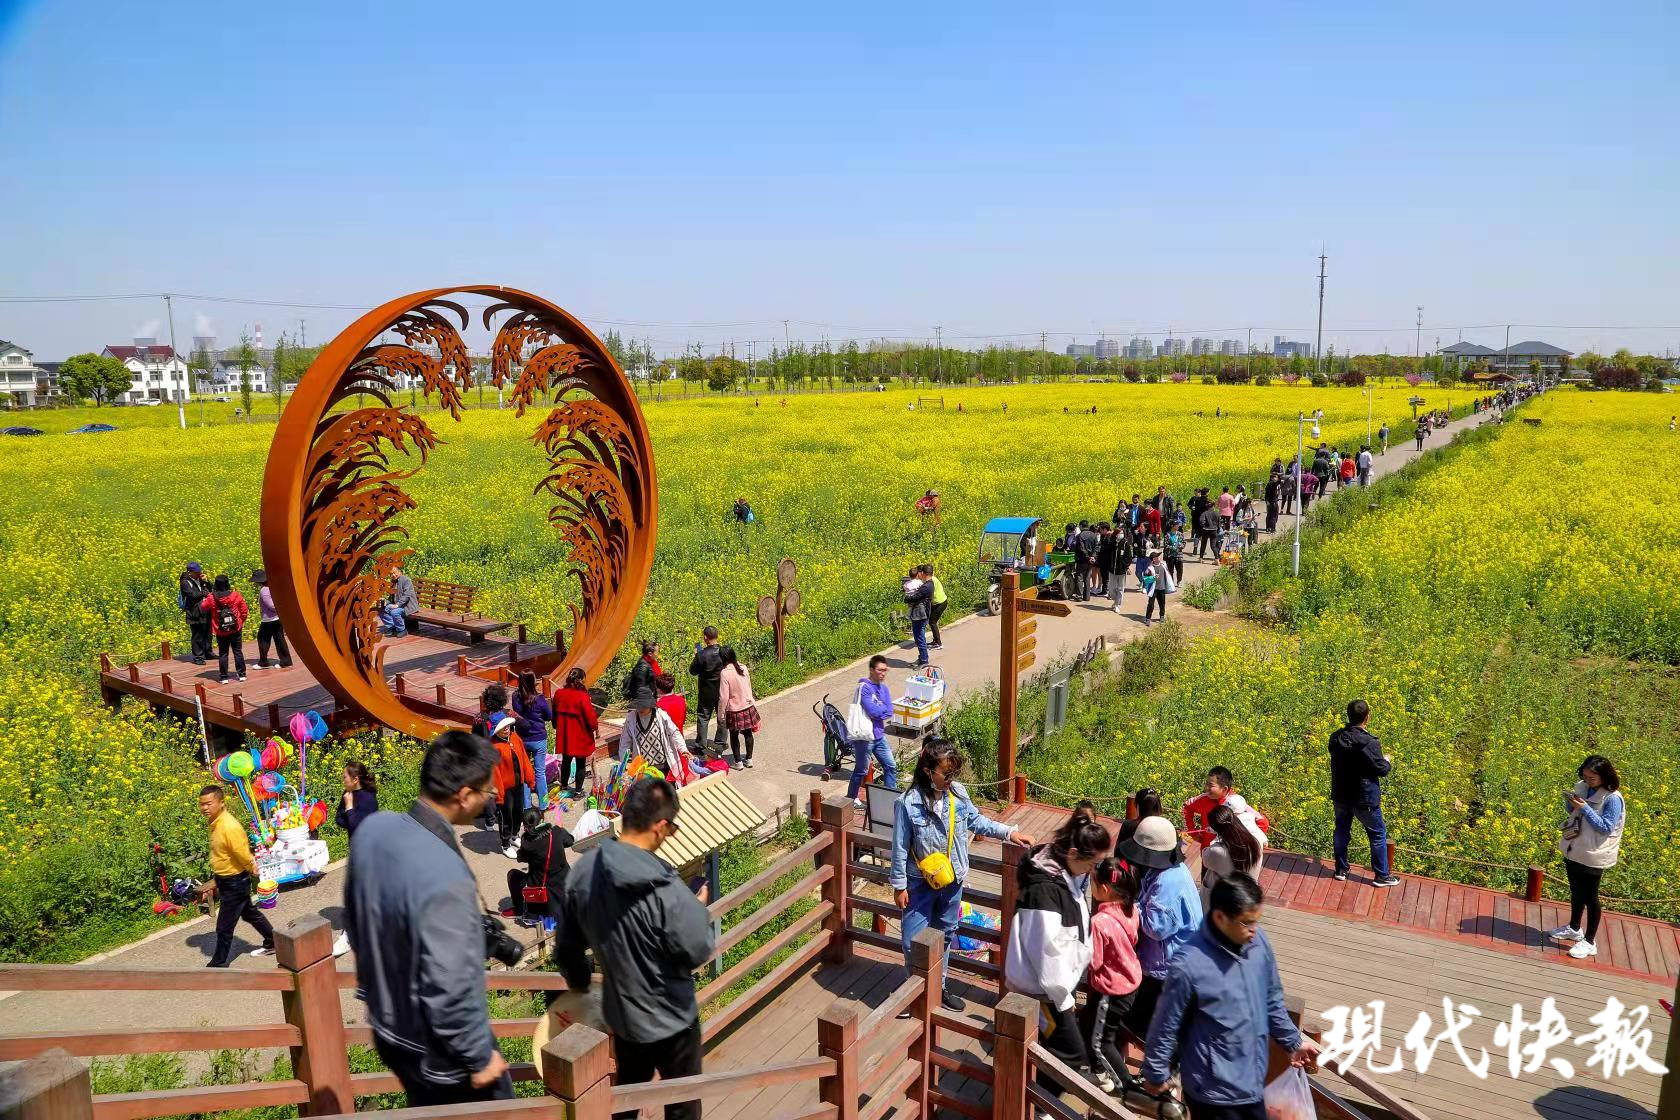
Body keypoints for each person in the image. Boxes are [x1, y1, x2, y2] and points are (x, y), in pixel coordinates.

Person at [345, 730, 511, 1105]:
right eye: (487, 792)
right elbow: (448, 984)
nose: (490, 800)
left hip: (387, 1025)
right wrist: (479, 1056)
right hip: (439, 1052)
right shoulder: (446, 875)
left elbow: (355, 918)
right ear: (464, 794)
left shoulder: (375, 828)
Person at [556, 777, 715, 1120]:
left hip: (623, 1016)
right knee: (683, 1104)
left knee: (625, 1101)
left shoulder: (583, 873)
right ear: (659, 827)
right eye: (671, 829)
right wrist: (696, 909)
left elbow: (568, 951)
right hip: (673, 1018)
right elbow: (698, 949)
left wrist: (581, 986)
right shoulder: (668, 889)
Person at [1141, 875, 1320, 1119]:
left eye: (1256, 920)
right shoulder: (1189, 965)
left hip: (1252, 1079)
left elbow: (1271, 999)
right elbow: (1165, 1025)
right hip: (1213, 1091)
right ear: (1219, 918)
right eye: (1246, 923)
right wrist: (1156, 1073)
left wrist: (1292, 1042)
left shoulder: (1259, 944)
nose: (1254, 930)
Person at [891, 739, 1033, 1011]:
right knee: (912, 941)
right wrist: (899, 886)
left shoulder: (957, 794)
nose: (950, 779)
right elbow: (898, 847)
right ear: (928, 771)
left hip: (951, 881)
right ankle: (915, 993)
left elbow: (977, 821)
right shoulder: (907, 804)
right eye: (946, 774)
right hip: (919, 883)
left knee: (945, 936)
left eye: (954, 773)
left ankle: (938, 988)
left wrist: (1010, 833)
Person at [1003, 815, 1110, 1100]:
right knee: (1070, 1055)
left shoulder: (1062, 873)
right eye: (1092, 863)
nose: (1093, 870)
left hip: (1053, 987)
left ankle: (1027, 1100)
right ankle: (1038, 1106)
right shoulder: (1044, 889)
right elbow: (1046, 951)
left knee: (1046, 1049)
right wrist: (1064, 998)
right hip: (1044, 991)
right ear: (1073, 853)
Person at [1118, 815, 1201, 1043]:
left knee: (1149, 1028)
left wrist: (1131, 907)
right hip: (1170, 962)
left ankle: (1158, 1071)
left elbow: (1157, 927)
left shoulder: (1168, 881)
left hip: (1169, 966)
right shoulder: (1171, 871)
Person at [1548, 755, 1625, 960]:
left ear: (1605, 777)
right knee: (1576, 891)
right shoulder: (1582, 786)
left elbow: (1604, 827)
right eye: (1585, 776)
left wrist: (1584, 808)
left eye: (1593, 779)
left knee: (1591, 897)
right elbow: (1572, 812)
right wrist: (1572, 803)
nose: (1588, 782)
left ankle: (1590, 941)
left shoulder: (1612, 798)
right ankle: (1574, 928)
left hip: (1594, 853)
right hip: (1575, 847)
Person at [1080, 858, 1142, 1096]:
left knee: (1101, 1041)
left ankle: (1124, 1085)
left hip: (1111, 990)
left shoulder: (1100, 922)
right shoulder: (1131, 909)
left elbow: (1094, 961)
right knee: (1094, 1024)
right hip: (1130, 980)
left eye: (1093, 884)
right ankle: (1100, 1069)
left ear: (1103, 889)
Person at [197, 784, 275, 967]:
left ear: (221, 803)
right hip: (225, 880)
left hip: (235, 882)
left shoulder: (229, 826)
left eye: (209, 803)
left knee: (224, 926)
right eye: (202, 804)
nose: (205, 808)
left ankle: (218, 963)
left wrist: (251, 867)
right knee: (250, 913)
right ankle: (274, 941)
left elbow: (241, 852)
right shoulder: (215, 823)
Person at [1329, 698, 1398, 888]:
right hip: (1364, 797)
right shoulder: (1369, 742)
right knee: (1377, 834)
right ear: (1367, 716)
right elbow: (1381, 769)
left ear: (1348, 715)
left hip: (1341, 794)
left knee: (1342, 830)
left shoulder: (1336, 738)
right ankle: (1382, 876)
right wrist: (1387, 760)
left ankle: (1341, 870)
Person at [506, 808, 574, 930]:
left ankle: (522, 911)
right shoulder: (556, 832)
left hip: (542, 890)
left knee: (513, 875)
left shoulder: (527, 842)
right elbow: (570, 840)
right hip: (564, 884)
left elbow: (520, 858)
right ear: (542, 820)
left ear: (525, 826)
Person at [846, 655, 899, 806]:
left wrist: (880, 710)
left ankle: (891, 798)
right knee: (861, 770)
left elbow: (889, 710)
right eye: (880, 670)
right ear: (871, 670)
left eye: (885, 670)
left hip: (879, 736)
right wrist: (880, 710)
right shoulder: (864, 688)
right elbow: (872, 711)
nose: (883, 673)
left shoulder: (885, 689)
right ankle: (851, 799)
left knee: (890, 766)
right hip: (865, 738)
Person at [1181, 766, 1268, 849]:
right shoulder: (1204, 799)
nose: (1206, 788)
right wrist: (1192, 832)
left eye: (1211, 785)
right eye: (1206, 784)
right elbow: (1187, 806)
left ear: (1224, 789)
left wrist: (1247, 842)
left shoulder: (1235, 803)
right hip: (1207, 848)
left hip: (1230, 851)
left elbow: (1262, 822)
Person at [620, 687, 692, 785]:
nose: (640, 709)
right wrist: (624, 763)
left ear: (650, 705)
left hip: (663, 764)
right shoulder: (631, 719)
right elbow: (625, 742)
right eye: (638, 706)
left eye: (643, 706)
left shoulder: (661, 715)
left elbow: (674, 733)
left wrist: (683, 749)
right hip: (644, 768)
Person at [1198, 805, 1263, 909]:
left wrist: (1216, 837)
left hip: (1220, 902)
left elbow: (1206, 857)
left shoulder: (1217, 851)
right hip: (1247, 896)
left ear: (1215, 828)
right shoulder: (1255, 843)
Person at [488, 715, 532, 856]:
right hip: (505, 789)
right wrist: (499, 795)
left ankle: (514, 835)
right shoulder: (494, 746)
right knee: (506, 816)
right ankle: (505, 844)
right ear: (497, 730)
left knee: (518, 811)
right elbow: (495, 774)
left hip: (518, 784)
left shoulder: (515, 738)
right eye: (503, 727)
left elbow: (524, 758)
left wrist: (530, 778)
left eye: (507, 726)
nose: (507, 729)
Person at [552, 667, 598, 799]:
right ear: (581, 680)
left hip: (565, 733)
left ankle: (564, 786)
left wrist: (556, 726)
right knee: (580, 763)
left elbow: (554, 713)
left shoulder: (559, 693)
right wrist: (594, 727)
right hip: (580, 734)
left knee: (566, 760)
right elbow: (590, 717)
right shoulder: (582, 696)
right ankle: (578, 792)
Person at [511, 670, 552, 811]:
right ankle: (543, 804)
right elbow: (549, 716)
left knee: (524, 773)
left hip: (522, 739)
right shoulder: (539, 698)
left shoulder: (515, 697)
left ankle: (526, 805)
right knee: (540, 773)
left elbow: (518, 713)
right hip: (539, 738)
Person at [200, 574, 249, 684]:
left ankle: (224, 677)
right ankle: (242, 675)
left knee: (223, 653)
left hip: (220, 630)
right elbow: (244, 611)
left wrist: (208, 595)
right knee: (237, 651)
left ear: (216, 584)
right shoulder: (235, 595)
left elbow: (203, 607)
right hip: (236, 628)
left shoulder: (212, 598)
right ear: (227, 583)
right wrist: (240, 622)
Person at [717, 648, 760, 770]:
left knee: (734, 735)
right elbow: (748, 686)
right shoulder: (743, 667)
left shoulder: (724, 673)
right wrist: (751, 700)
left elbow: (723, 696)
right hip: (747, 705)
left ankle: (738, 762)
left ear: (723, 658)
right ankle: (749, 759)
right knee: (748, 733)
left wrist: (721, 714)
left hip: (734, 708)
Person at [688, 627, 728, 755]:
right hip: (722, 688)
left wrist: (696, 656)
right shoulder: (724, 652)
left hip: (706, 689)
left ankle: (701, 745)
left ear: (705, 637)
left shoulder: (702, 654)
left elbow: (693, 671)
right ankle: (720, 743)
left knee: (703, 717)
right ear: (717, 636)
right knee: (722, 716)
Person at [248, 569, 292, 670]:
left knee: (262, 639)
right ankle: (286, 661)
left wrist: (278, 609)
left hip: (269, 619)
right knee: (279, 639)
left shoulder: (264, 590)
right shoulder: (272, 587)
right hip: (277, 618)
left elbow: (272, 605)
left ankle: (263, 662)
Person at [179, 561, 213, 665]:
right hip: (194, 612)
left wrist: (206, 582)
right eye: (197, 572)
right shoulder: (185, 582)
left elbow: (210, 589)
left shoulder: (200, 579)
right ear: (190, 572)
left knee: (207, 632)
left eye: (200, 571)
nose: (199, 573)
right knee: (197, 635)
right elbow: (192, 595)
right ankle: (198, 657)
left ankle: (208, 653)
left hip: (205, 609)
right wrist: (204, 593)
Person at [336, 761, 379, 836]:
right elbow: (338, 819)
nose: (343, 780)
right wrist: (351, 821)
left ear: (355, 779)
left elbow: (357, 828)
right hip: (353, 843)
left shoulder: (368, 799)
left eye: (345, 777)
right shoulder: (348, 793)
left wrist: (349, 807)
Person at [905, 564, 934, 667]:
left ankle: (924, 660)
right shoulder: (928, 584)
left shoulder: (926, 586)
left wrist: (907, 598)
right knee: (919, 637)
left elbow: (914, 597)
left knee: (919, 638)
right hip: (921, 613)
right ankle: (922, 657)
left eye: (919, 573)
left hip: (920, 614)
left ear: (923, 573)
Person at [624, 638, 661, 702]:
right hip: (645, 699)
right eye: (657, 652)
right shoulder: (642, 668)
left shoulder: (651, 662)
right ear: (650, 654)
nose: (658, 654)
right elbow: (640, 687)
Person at [654, 672, 687, 738]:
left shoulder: (658, 705)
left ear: (659, 689)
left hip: (665, 739)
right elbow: (683, 720)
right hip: (679, 736)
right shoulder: (681, 700)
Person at [391, 564, 419, 633]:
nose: (393, 575)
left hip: (408, 607)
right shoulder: (393, 582)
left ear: (399, 571)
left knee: (394, 612)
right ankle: (392, 627)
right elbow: (392, 596)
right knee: (383, 610)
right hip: (400, 605)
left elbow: (407, 595)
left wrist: (397, 604)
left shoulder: (406, 580)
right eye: (391, 574)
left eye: (395, 572)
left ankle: (402, 630)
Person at [1144, 549, 1170, 625]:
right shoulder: (1149, 569)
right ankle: (1148, 618)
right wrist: (1153, 578)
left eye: (1158, 556)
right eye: (1157, 557)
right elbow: (1145, 579)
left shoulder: (1163, 565)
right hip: (1154, 589)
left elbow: (1168, 575)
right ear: (1154, 559)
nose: (1159, 558)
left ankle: (1162, 616)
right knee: (1151, 604)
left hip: (1162, 588)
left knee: (1162, 604)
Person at [926, 563, 949, 649]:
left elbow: (929, 593)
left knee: (932, 622)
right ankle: (935, 640)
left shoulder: (931, 581)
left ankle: (938, 643)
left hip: (940, 603)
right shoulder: (933, 578)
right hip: (939, 602)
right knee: (932, 621)